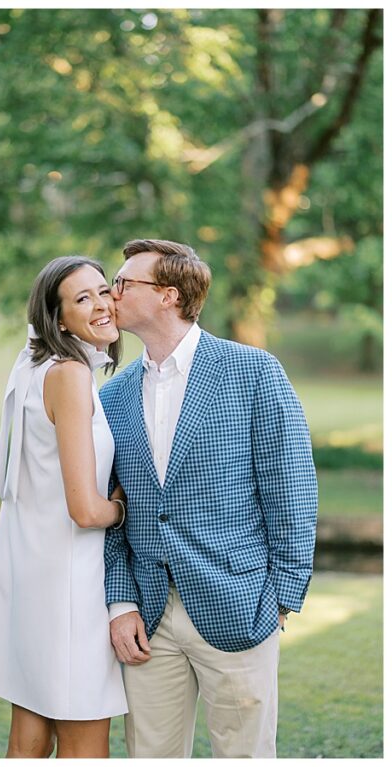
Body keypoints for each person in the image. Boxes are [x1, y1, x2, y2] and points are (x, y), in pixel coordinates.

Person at [101, 239, 317, 758]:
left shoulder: (253, 372)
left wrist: (281, 597)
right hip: (147, 619)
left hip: (241, 605)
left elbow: (292, 489)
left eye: (126, 282)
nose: (113, 291)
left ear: (168, 296)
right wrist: (120, 602)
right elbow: (111, 511)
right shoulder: (111, 395)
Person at [0, 256, 129, 758]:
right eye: (82, 299)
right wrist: (124, 507)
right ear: (57, 320)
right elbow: (85, 510)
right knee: (85, 744)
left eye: (103, 290)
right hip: (72, 587)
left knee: (28, 734)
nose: (101, 305)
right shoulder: (71, 375)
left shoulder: (39, 369)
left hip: (34, 574)